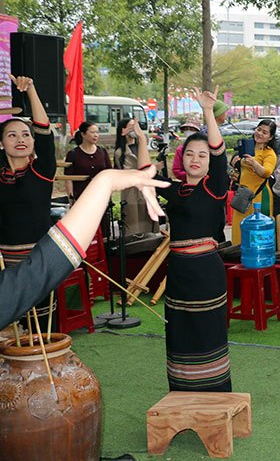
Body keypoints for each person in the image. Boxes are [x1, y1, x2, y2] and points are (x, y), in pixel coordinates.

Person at [138, 87, 233, 392]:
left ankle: (215, 399)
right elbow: (144, 175)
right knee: (179, 334)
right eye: (190, 153)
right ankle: (181, 395)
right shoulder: (175, 189)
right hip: (178, 273)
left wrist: (207, 111)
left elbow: (220, 155)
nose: (196, 159)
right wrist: (141, 140)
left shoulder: (214, 187)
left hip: (207, 273)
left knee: (208, 334)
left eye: (202, 155)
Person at [0, 166, 167, 328]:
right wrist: (105, 182)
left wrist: (105, 181)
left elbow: (33, 275)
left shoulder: (38, 170)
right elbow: (34, 276)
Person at [0, 75, 56, 327]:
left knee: (43, 329)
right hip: (4, 263)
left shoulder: (41, 169)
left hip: (39, 262)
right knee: (11, 331)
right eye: (12, 135)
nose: (20, 139)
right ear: (1, 144)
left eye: (26, 134)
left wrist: (32, 89)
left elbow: (44, 129)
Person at [230, 119, 277, 244]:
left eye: (265, 132)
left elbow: (266, 172)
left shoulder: (269, 153)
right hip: (243, 195)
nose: (260, 133)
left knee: (258, 229)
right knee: (239, 228)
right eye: (259, 129)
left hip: (259, 196)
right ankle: (239, 255)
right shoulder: (247, 146)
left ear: (270, 137)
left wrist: (254, 163)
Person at [113, 118, 159, 236]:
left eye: (136, 126)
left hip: (146, 190)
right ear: (123, 130)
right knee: (133, 222)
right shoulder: (120, 153)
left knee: (148, 222)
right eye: (131, 127)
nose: (135, 130)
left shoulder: (142, 147)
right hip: (131, 192)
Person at [65, 121, 112, 201]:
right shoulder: (73, 154)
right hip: (81, 196)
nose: (96, 135)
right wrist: (71, 197)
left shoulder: (102, 152)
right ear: (83, 134)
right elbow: (68, 178)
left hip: (101, 196)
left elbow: (109, 173)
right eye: (92, 132)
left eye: (97, 132)